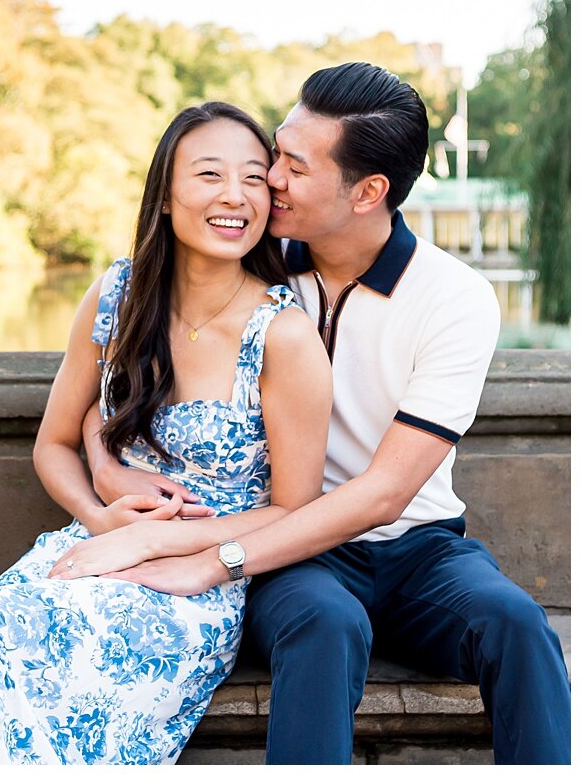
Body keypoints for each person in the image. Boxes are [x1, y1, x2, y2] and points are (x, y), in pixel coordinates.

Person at [86, 63, 570, 763]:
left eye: (292, 166)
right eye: (276, 152)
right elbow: (120, 364)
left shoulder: (455, 298)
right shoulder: (250, 259)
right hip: (296, 548)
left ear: (369, 191)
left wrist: (213, 561)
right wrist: (104, 462)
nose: (267, 179)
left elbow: (385, 493)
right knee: (324, 622)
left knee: (519, 625)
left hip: (419, 548)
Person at [0, 103, 332, 764]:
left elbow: (294, 509)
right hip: (88, 548)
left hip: (189, 586)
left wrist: (153, 539)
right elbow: (53, 443)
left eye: (251, 178)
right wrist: (102, 520)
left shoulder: (284, 335)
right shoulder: (116, 296)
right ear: (164, 197)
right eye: (208, 174)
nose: (234, 196)